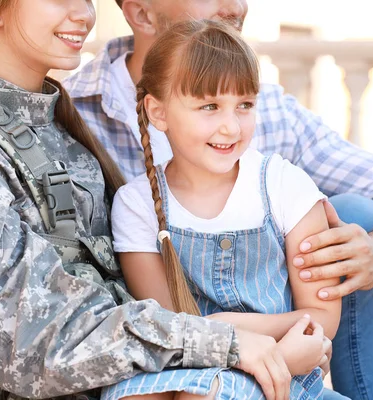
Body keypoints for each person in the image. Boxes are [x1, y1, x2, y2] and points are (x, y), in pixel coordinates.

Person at [0, 0, 373, 398]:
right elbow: (18, 333)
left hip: (140, 365)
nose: (85, 14)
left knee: (357, 218)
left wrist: (242, 339)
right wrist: (223, 342)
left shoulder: (58, 122)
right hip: (78, 374)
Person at [100, 19, 346, 400]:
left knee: (207, 395)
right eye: (210, 106)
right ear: (158, 111)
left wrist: (225, 325)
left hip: (284, 368)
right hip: (187, 360)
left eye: (244, 105)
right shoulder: (138, 205)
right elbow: (169, 330)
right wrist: (246, 332)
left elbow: (321, 318)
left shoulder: (285, 186)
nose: (231, 126)